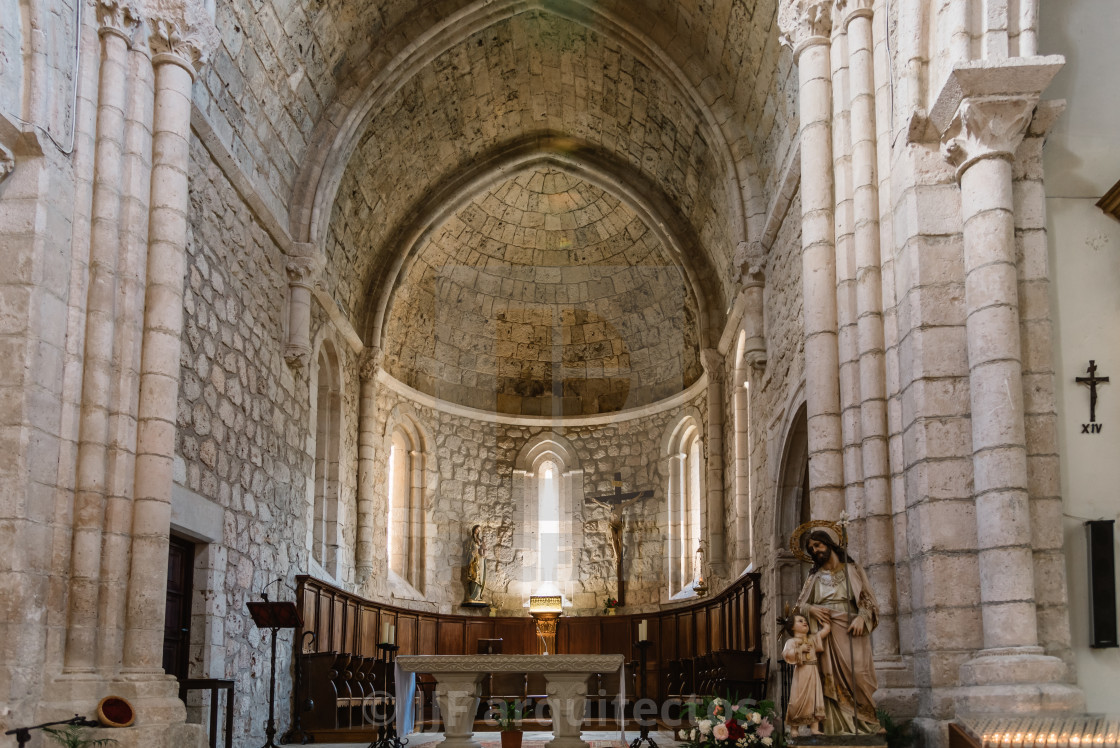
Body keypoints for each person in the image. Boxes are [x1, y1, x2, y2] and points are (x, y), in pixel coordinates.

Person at [794, 529, 882, 734]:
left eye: (817, 545)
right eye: (811, 549)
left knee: (859, 674)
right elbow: (800, 606)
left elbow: (867, 600)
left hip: (851, 629)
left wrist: (862, 616)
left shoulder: (852, 569)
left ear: (829, 543)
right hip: (826, 632)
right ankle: (836, 729)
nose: (815, 550)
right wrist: (812, 608)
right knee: (828, 679)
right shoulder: (814, 577)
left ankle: (867, 724)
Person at [782, 612, 829, 734]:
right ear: (792, 627)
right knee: (797, 700)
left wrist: (826, 625)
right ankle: (794, 729)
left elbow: (822, 633)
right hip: (801, 673)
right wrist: (800, 649)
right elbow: (786, 654)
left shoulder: (811, 639)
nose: (804, 622)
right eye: (800, 621)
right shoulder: (792, 641)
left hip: (813, 671)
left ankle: (814, 728)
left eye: (805, 620)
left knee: (814, 698)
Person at [465, 524, 486, 602]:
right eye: (477, 529)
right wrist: (472, 553)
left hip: (479, 561)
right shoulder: (470, 540)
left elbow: (483, 551)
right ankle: (473, 596)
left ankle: (478, 596)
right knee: (474, 577)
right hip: (473, 562)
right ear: (474, 529)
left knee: (480, 578)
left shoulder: (480, 541)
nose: (478, 531)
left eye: (479, 530)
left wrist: (483, 554)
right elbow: (466, 552)